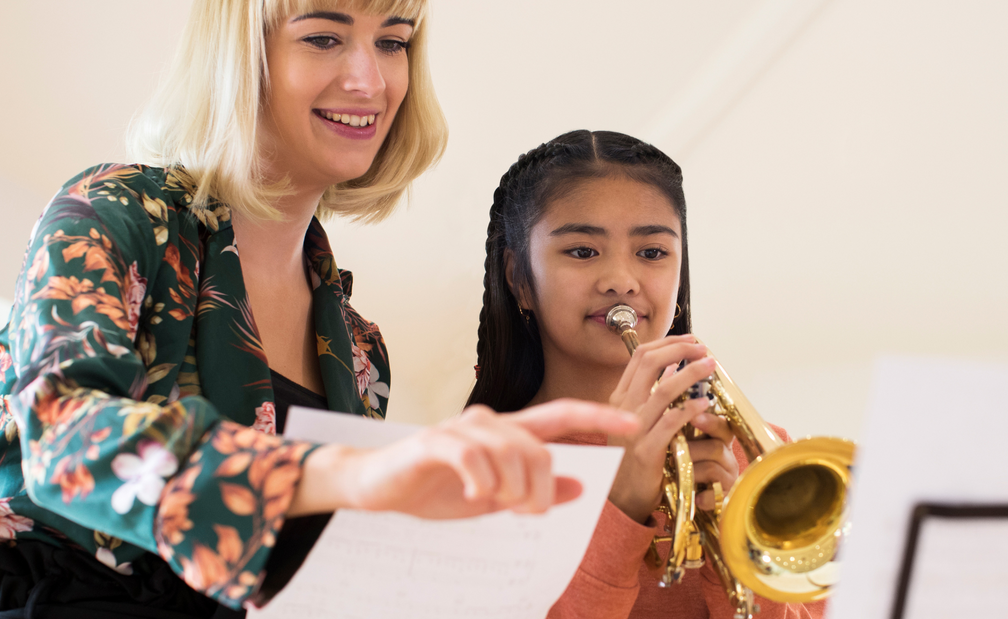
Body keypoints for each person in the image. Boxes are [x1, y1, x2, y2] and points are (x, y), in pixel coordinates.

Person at [0, 3, 637, 617]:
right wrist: (351, 472)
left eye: (393, 41)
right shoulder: (114, 212)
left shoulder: (361, 350)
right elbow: (63, 436)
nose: (370, 80)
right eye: (323, 39)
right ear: (241, 57)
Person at [466, 129, 827, 618]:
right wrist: (620, 509)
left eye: (652, 253)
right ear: (518, 279)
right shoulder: (477, 474)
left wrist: (740, 542)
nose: (622, 281)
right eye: (582, 251)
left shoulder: (760, 455)